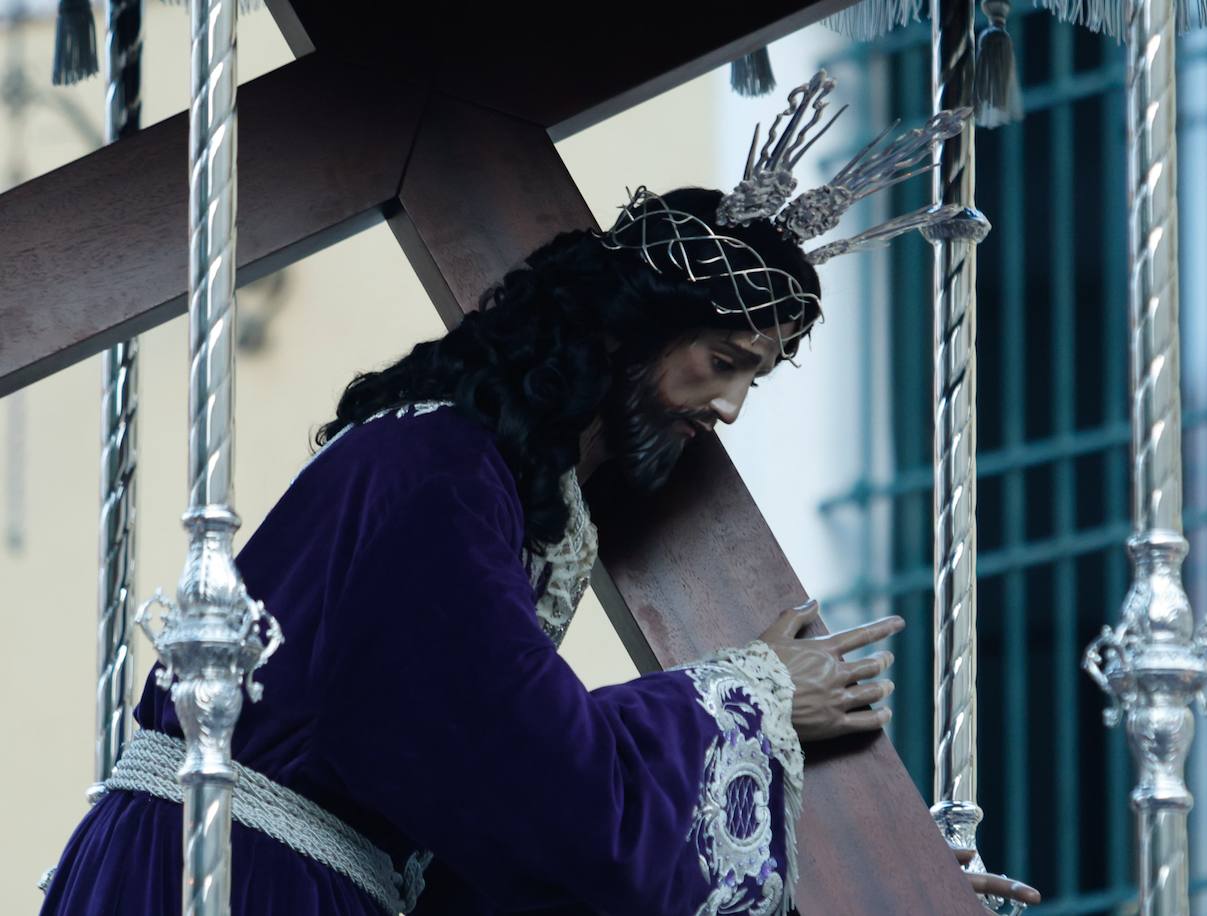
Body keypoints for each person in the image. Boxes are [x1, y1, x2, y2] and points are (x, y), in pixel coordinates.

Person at [39, 72, 1038, 915]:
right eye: (722, 360)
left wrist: (865, 865)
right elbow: (525, 777)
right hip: (228, 879)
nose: (731, 405)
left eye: (756, 377)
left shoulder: (482, 480)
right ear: (626, 332)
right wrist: (753, 695)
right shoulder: (442, 472)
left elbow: (478, 784)